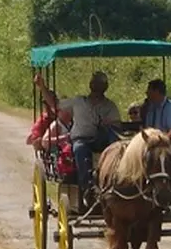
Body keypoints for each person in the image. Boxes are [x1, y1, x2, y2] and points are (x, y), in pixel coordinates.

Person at [34, 70, 121, 199]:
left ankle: (117, 177)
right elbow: (55, 105)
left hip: (101, 139)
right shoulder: (78, 101)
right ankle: (87, 188)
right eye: (96, 84)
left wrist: (108, 124)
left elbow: (117, 125)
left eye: (101, 84)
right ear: (91, 86)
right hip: (82, 140)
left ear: (105, 87)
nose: (98, 87)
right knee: (80, 150)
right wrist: (42, 87)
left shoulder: (109, 106)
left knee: (114, 139)